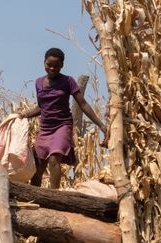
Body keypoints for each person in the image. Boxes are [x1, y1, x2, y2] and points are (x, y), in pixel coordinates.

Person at [19, 47, 105, 189]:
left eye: (56, 66)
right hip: (45, 127)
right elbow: (41, 107)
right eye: (49, 65)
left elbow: (82, 104)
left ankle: (54, 197)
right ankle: (35, 195)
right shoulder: (39, 82)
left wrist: (101, 125)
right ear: (44, 63)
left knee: (54, 159)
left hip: (62, 126)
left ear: (62, 65)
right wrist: (24, 115)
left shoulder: (68, 81)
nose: (52, 68)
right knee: (38, 165)